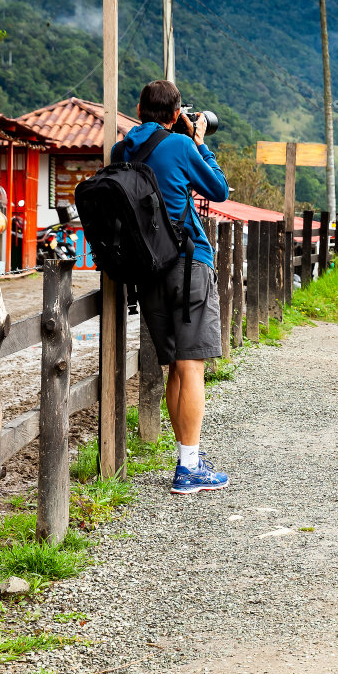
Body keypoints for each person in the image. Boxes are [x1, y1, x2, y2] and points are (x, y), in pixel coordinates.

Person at [111, 79, 232, 494]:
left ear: (138, 109)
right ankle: (189, 468)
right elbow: (218, 189)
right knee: (192, 365)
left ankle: (188, 457)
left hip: (148, 271)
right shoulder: (181, 146)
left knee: (176, 366)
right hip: (188, 265)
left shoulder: (122, 151)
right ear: (177, 113)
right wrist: (199, 142)